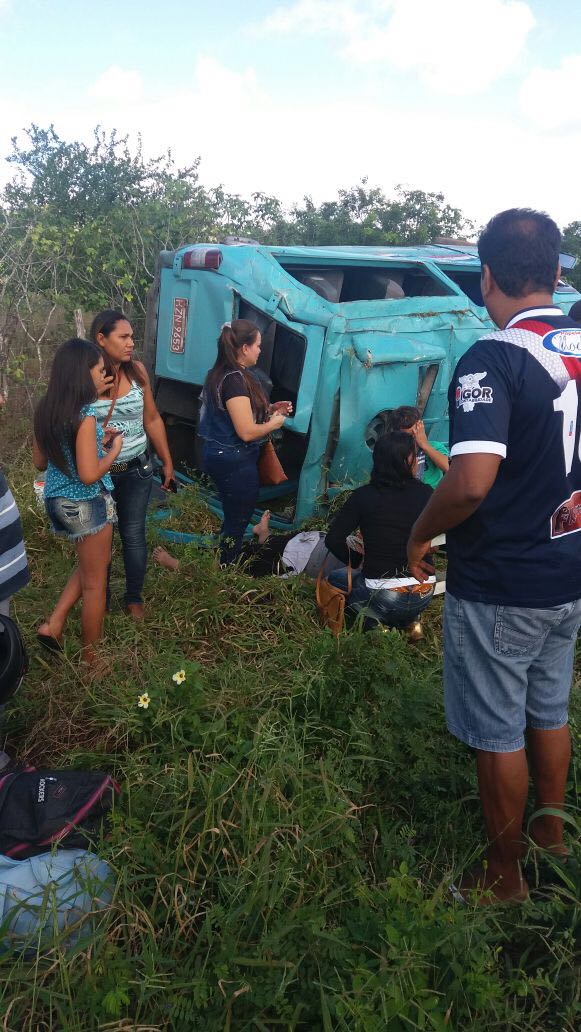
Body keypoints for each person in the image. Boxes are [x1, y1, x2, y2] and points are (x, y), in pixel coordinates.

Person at [407, 208, 581, 904]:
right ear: (557, 270)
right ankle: (551, 840)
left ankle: (502, 878)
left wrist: (419, 533)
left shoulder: (494, 355)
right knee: (549, 710)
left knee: (497, 730)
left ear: (484, 276)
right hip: (567, 572)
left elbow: (470, 480)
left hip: (503, 579)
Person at [33, 339, 123, 666]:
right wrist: (112, 452)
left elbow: (41, 462)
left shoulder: (46, 409)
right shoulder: (84, 416)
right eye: (100, 371)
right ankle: (92, 659)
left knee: (92, 565)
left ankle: (54, 624)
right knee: (96, 583)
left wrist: (99, 442)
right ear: (82, 375)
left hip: (57, 501)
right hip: (85, 502)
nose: (104, 377)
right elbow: (87, 475)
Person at [90, 310, 175, 621]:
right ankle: (102, 597)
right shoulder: (86, 378)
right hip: (100, 476)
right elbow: (69, 423)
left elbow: (151, 418)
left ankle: (134, 598)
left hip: (138, 470)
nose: (130, 343)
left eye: (131, 337)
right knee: (102, 537)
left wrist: (167, 460)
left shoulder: (137, 371)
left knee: (134, 534)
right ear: (101, 338)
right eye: (123, 337)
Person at [198, 320, 292, 564]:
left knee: (234, 515)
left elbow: (236, 413)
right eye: (258, 345)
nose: (261, 350)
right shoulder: (234, 380)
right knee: (238, 518)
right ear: (244, 348)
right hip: (233, 459)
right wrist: (273, 424)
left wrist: (270, 408)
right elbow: (247, 432)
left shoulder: (225, 374)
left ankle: (225, 558)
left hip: (223, 455)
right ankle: (227, 568)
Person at [324, 432, 435, 633]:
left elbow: (333, 539)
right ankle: (412, 621)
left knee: (336, 578)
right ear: (408, 462)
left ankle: (373, 624)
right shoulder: (426, 492)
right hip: (425, 591)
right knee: (398, 592)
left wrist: (357, 559)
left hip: (383, 594)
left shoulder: (363, 496)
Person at [152, 510, 355, 579]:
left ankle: (182, 567)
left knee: (237, 559)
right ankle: (264, 535)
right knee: (282, 540)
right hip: (309, 543)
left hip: (302, 560)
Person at [388, 406, 449, 487]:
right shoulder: (394, 450)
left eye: (417, 432)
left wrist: (425, 445)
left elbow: (447, 468)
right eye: (409, 435)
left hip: (434, 494)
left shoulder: (435, 446)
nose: (415, 438)